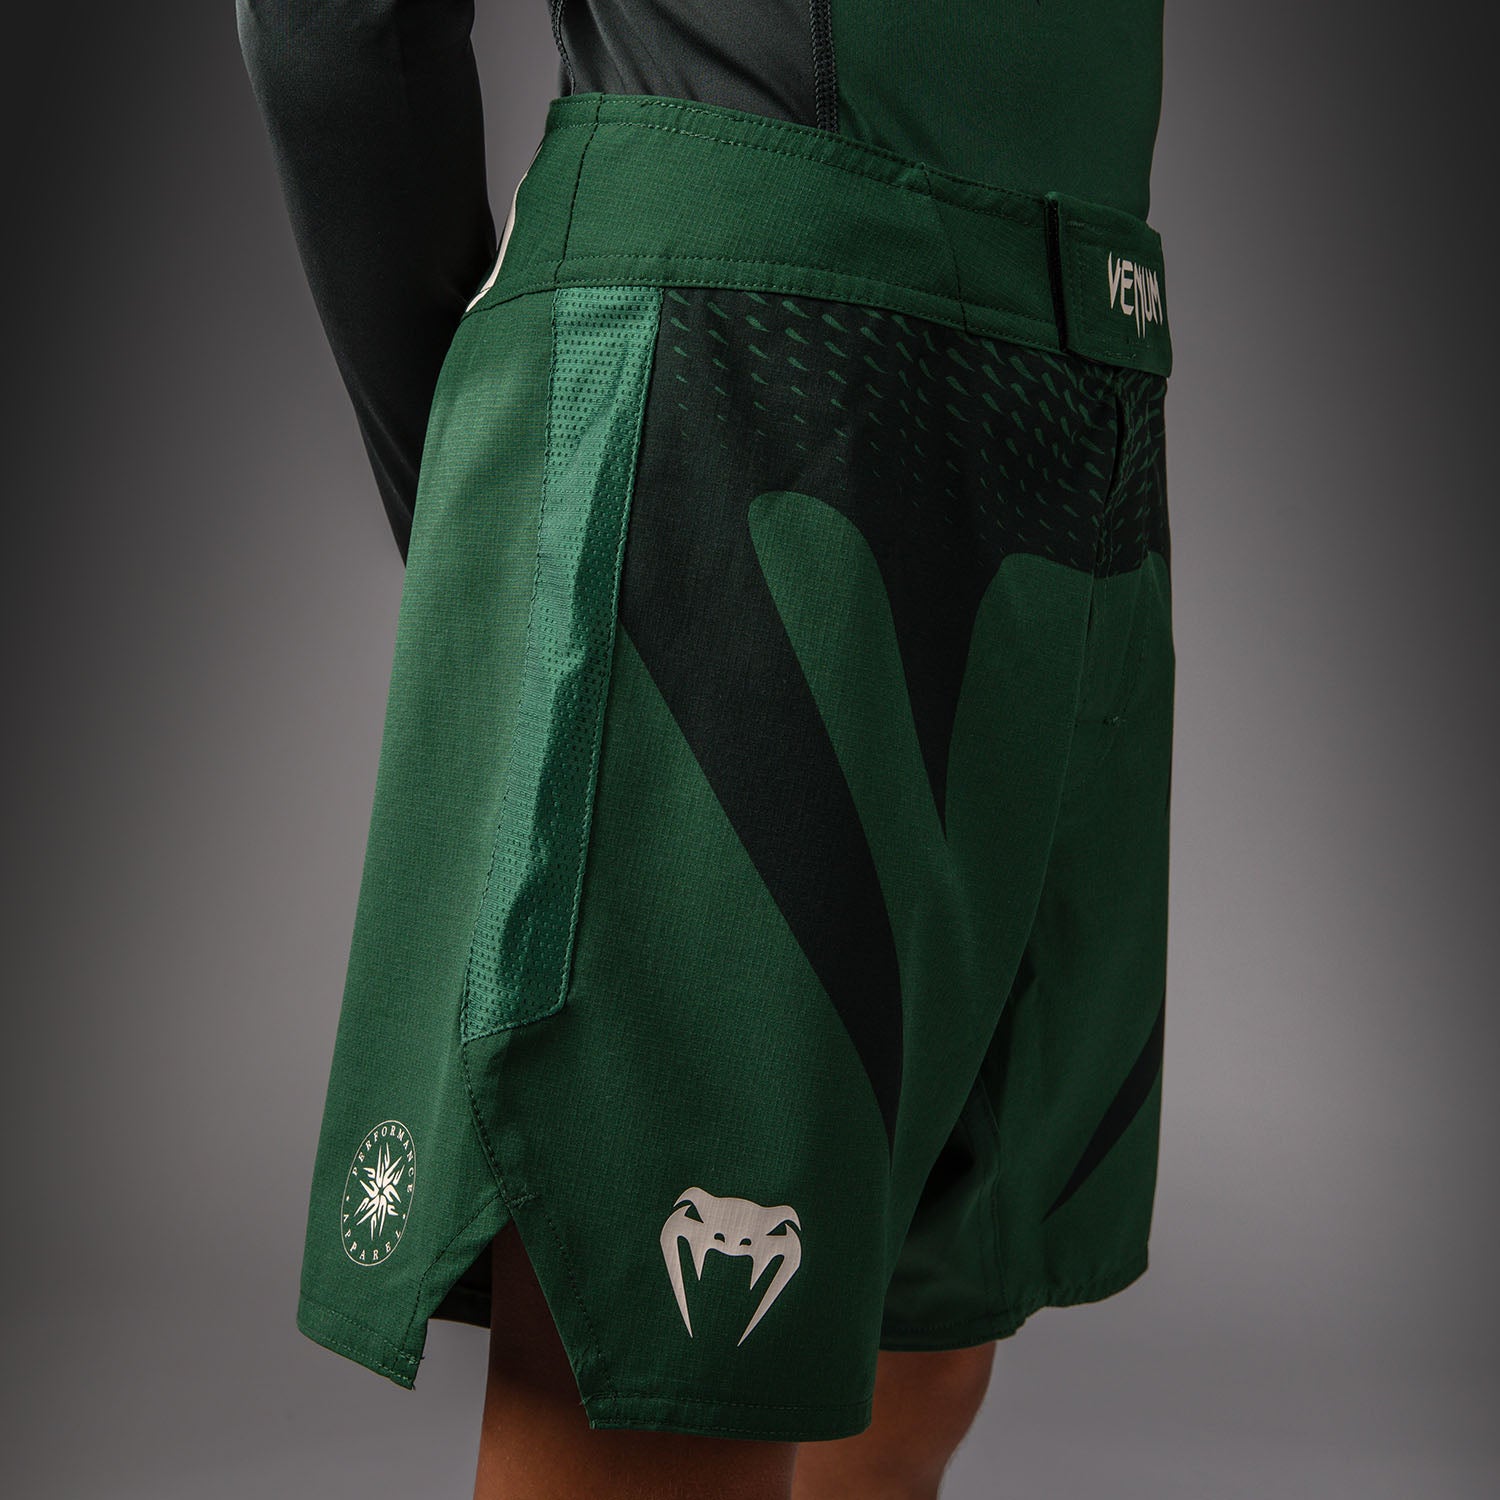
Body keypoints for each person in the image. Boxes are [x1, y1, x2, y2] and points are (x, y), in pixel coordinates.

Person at [236, 5, 1176, 1497]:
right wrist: (506, 485)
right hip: (751, 359)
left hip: (1086, 390)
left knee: (921, 1345)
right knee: (669, 1381)